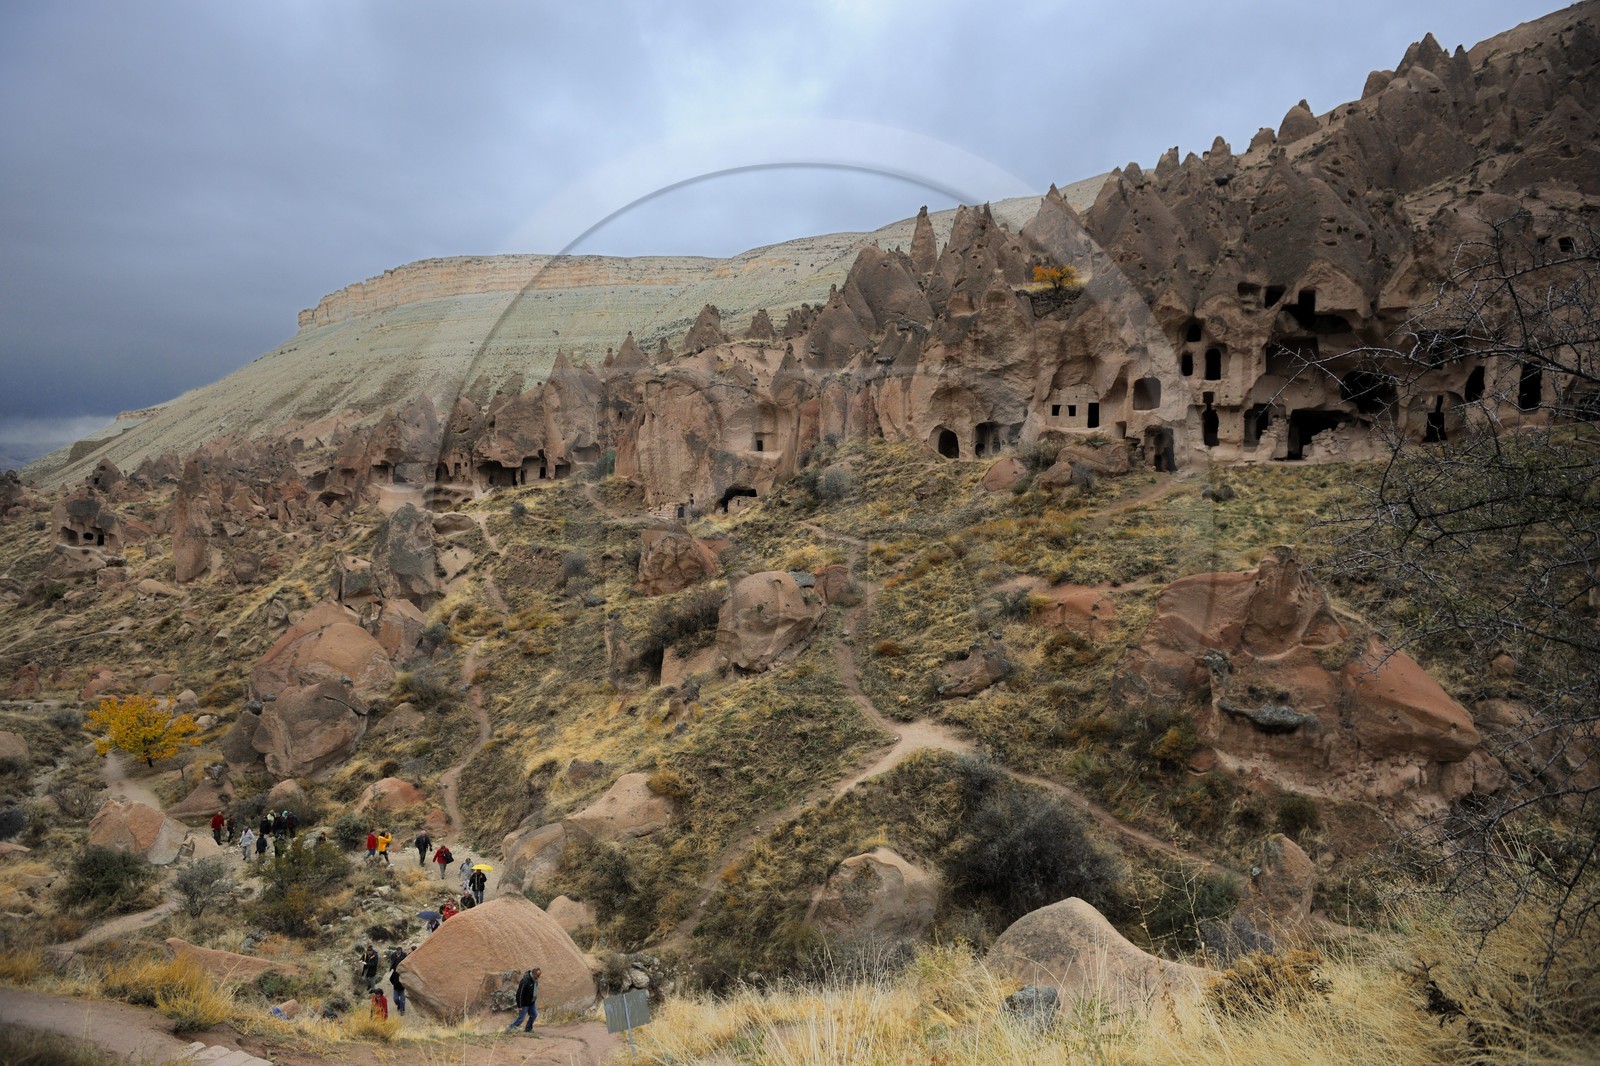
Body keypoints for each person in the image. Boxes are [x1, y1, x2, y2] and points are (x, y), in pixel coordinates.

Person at [506, 968, 540, 1034]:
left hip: (531, 1002)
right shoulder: (525, 981)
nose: (539, 977)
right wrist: (520, 1005)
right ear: (534, 974)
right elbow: (519, 994)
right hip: (524, 1003)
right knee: (521, 1018)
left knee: (534, 1014)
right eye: (538, 975)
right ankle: (510, 1029)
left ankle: (528, 1029)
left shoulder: (535, 980)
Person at [388, 947, 408, 1015]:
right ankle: (399, 1005)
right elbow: (391, 979)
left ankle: (402, 1010)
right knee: (395, 999)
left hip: (402, 988)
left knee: (402, 1000)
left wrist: (405, 984)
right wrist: (394, 983)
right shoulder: (395, 973)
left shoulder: (404, 973)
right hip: (396, 988)